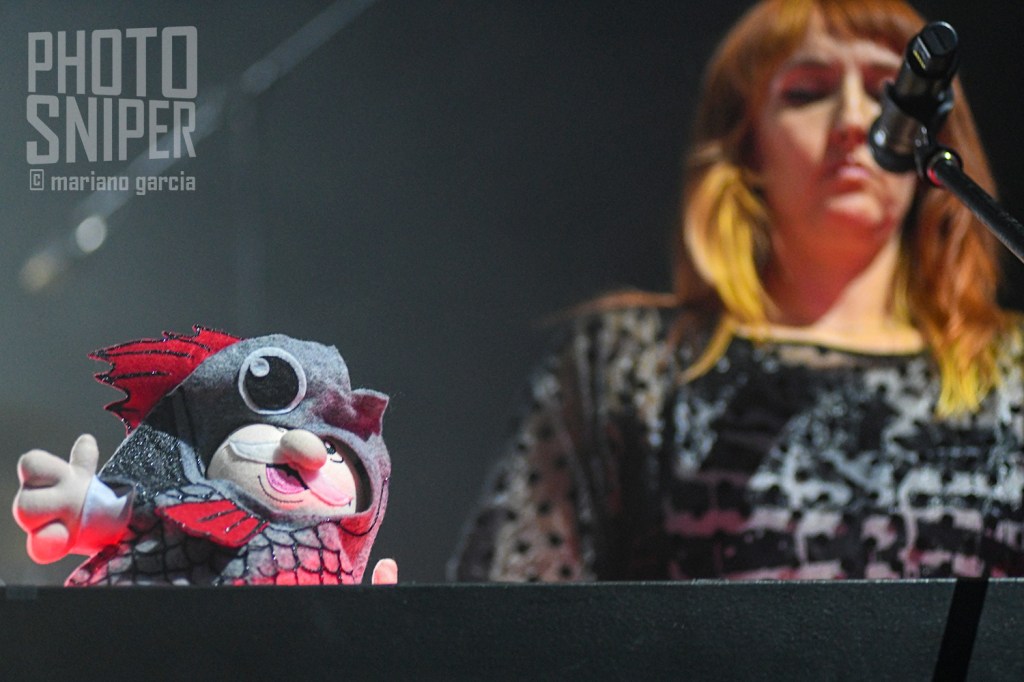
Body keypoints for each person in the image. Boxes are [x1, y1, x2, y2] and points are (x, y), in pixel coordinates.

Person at [449, 0, 1024, 582]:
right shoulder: (629, 362)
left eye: (886, 92)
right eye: (807, 92)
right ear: (747, 146)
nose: (854, 119)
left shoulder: (1014, 373)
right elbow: (510, 603)